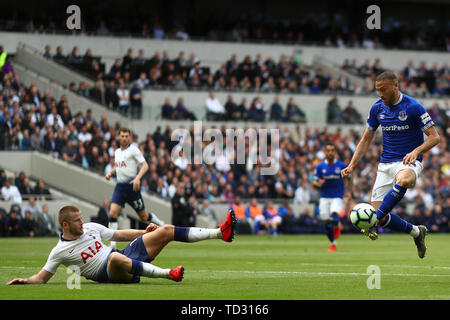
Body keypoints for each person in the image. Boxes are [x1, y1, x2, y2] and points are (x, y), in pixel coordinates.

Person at [341, 71, 440, 259]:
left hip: (408, 161)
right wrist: (352, 164)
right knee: (382, 215)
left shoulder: (413, 107)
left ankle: (373, 221)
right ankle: (417, 233)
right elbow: (366, 139)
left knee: (402, 181)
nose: (380, 94)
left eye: (383, 89)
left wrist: (416, 151)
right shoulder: (377, 108)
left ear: (395, 86)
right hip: (385, 165)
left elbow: (435, 137)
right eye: (378, 90)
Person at [7, 205, 236, 285]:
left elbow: (117, 233)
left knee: (164, 229)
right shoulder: (59, 251)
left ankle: (220, 232)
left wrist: (144, 232)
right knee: (115, 258)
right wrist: (25, 280)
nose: (82, 222)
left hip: (125, 254)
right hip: (110, 272)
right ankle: (169, 274)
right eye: (77, 220)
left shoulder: (90, 228)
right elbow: (42, 278)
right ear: (65, 224)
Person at [105, 128, 165, 249]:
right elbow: (119, 167)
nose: (124, 138)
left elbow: (145, 165)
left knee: (143, 217)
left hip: (132, 187)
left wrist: (137, 178)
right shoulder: (117, 152)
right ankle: (112, 245)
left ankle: (161, 224)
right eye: (122, 136)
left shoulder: (133, 150)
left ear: (130, 137)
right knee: (112, 213)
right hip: (120, 187)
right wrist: (111, 172)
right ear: (119, 137)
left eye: (127, 136)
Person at [312, 142, 347, 252]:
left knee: (333, 215)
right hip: (324, 197)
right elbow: (314, 182)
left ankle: (336, 224)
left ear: (335, 152)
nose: (330, 152)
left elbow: (349, 179)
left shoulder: (341, 165)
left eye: (332, 150)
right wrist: (318, 184)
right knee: (327, 223)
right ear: (325, 152)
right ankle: (333, 243)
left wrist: (349, 193)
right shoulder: (320, 166)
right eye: (328, 150)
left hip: (337, 196)